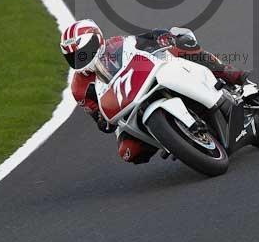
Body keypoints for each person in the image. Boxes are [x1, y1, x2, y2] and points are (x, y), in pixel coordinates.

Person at [59, 19, 249, 164]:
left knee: (180, 46)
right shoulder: (78, 88)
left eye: (82, 52)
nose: (79, 59)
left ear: (96, 40)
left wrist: (160, 37)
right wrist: (102, 119)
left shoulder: (115, 45)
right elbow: (101, 122)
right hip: (127, 108)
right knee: (129, 152)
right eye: (73, 57)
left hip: (147, 79)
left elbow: (142, 41)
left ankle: (227, 72)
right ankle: (172, 139)